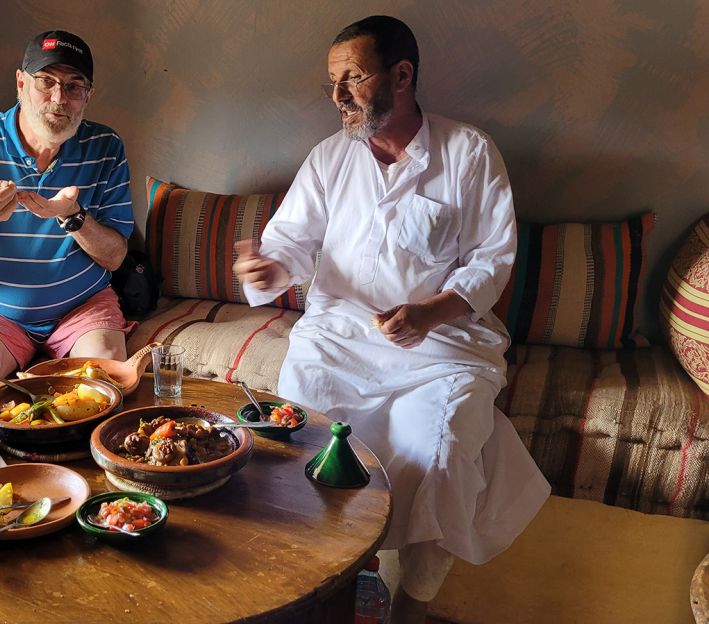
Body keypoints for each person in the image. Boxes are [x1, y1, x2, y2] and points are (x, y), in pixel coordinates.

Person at [233, 16, 550, 624]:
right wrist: (270, 270)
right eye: (332, 82)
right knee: (298, 442)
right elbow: (291, 242)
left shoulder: (468, 152)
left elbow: (492, 258)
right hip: (338, 337)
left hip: (444, 346)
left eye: (352, 77)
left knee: (443, 452)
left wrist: (432, 312)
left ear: (401, 75)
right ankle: (351, 576)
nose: (337, 97)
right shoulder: (330, 158)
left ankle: (409, 608)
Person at [0, 30, 135, 377]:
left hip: (82, 307)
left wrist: (73, 216)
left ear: (88, 96)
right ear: (21, 84)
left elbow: (114, 257)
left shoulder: (106, 146)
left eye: (73, 86)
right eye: (45, 82)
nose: (59, 98)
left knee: (105, 378)